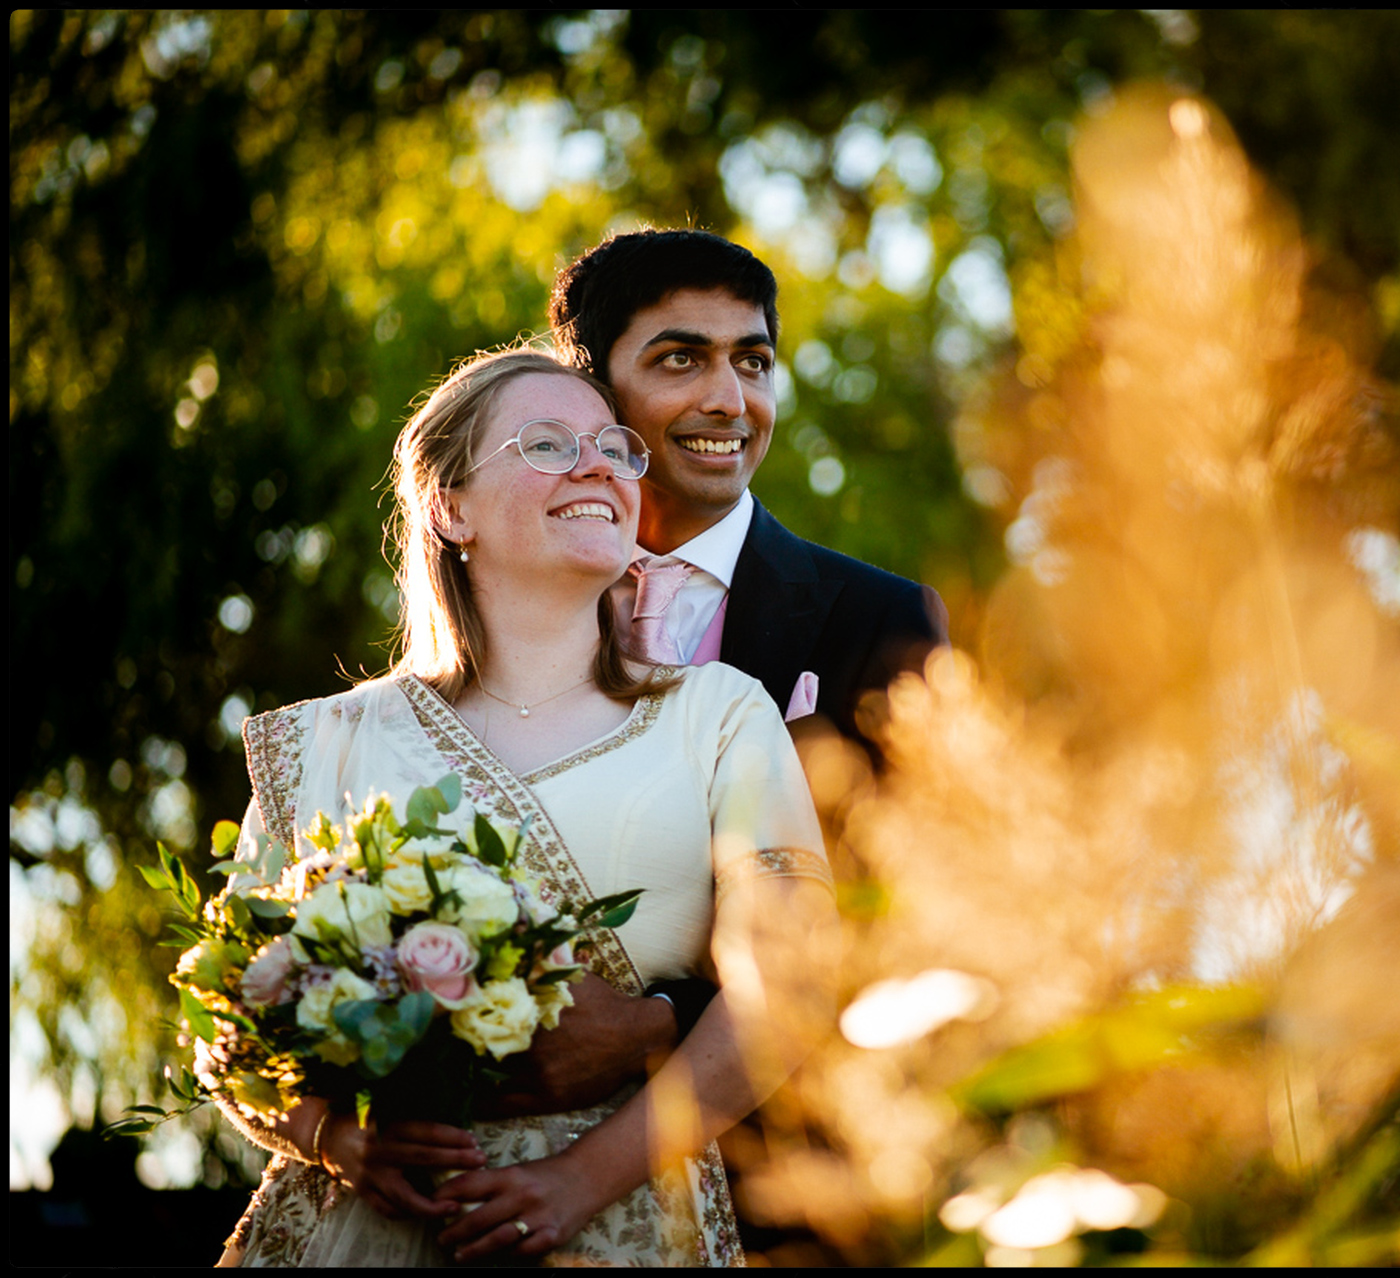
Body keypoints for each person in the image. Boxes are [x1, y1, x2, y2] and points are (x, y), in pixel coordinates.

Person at [212, 349, 837, 1266]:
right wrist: (338, 1141)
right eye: (547, 444)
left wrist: (577, 1179)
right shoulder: (325, 742)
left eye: (615, 448)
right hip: (363, 1229)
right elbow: (232, 1021)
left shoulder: (720, 715)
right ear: (449, 506)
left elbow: (791, 988)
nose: (601, 467)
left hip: (624, 1225)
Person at [547, 228, 947, 756]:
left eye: (752, 362)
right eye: (681, 359)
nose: (731, 402)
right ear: (591, 387)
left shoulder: (886, 621)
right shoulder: (521, 602)